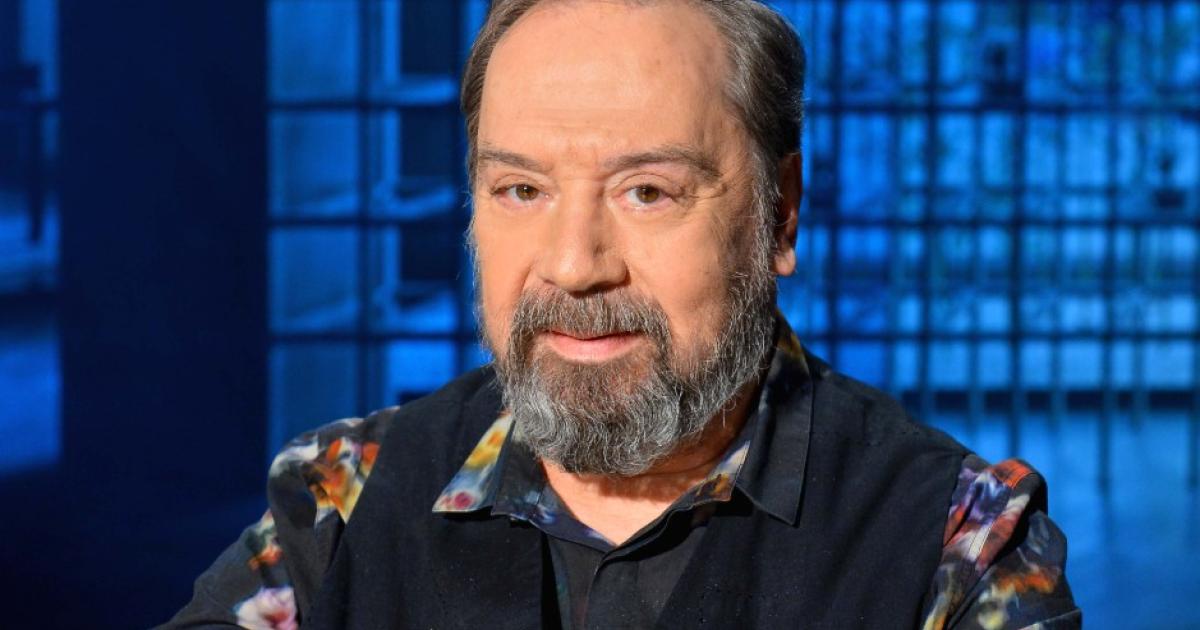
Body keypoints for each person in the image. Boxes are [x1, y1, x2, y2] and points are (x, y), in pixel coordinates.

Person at [164, 0, 1080, 628]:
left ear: (781, 214)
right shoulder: (341, 498)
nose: (573, 265)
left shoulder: (958, 542)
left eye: (648, 191)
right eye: (521, 189)